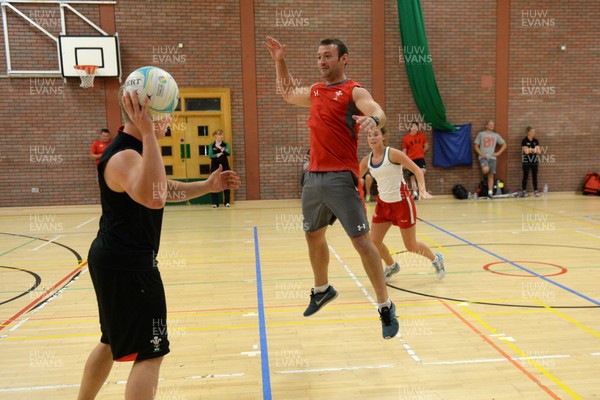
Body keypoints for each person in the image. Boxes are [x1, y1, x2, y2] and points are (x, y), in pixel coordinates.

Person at [78, 86, 240, 400]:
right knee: (151, 352)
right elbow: (153, 199)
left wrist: (206, 185)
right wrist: (150, 135)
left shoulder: (131, 151)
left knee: (110, 339)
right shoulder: (126, 154)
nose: (167, 124)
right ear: (144, 116)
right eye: (163, 117)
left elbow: (162, 188)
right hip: (129, 265)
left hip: (116, 260)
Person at [265, 36, 399, 339]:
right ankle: (322, 289)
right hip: (312, 177)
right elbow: (286, 93)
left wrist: (372, 121)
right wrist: (280, 61)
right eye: (318, 57)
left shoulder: (353, 91)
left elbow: (377, 110)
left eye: (327, 56)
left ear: (343, 59)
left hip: (341, 178)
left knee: (363, 243)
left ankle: (385, 306)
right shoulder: (314, 91)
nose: (321, 61)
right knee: (313, 235)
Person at [360, 128, 445, 283]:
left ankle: (435, 259)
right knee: (374, 242)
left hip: (402, 203)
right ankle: (392, 265)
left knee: (410, 245)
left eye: (376, 135)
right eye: (369, 135)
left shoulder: (392, 154)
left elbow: (417, 170)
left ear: (383, 137)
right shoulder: (367, 160)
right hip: (383, 205)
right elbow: (354, 177)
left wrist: (423, 190)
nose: (372, 138)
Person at [473, 120, 507, 198]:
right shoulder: (481, 134)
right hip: (483, 157)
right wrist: (481, 154)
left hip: (492, 158)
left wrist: (498, 153)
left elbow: (504, 144)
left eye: (493, 125)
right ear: (486, 126)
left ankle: (490, 193)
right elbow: (475, 146)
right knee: (485, 170)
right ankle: (485, 176)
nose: (492, 126)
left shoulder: (496, 135)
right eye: (490, 124)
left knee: (491, 175)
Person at [402, 122, 428, 201]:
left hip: (420, 158)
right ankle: (415, 193)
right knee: (412, 177)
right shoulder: (406, 138)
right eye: (413, 127)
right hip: (411, 159)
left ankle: (422, 192)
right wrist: (403, 162)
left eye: (416, 127)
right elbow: (404, 151)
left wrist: (421, 152)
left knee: (422, 171)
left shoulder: (421, 136)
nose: (415, 128)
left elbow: (426, 146)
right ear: (411, 128)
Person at [208, 129, 232, 208]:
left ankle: (227, 202)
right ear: (215, 135)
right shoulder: (212, 145)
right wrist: (219, 154)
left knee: (226, 183)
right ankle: (215, 203)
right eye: (219, 134)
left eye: (222, 135)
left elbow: (228, 153)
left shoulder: (225, 144)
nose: (221, 136)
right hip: (215, 166)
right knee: (214, 183)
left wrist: (221, 149)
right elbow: (211, 155)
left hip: (225, 166)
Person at [520, 126, 540, 197]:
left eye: (534, 132)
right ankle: (524, 190)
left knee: (535, 176)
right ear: (528, 132)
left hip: (534, 160)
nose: (533, 133)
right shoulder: (524, 141)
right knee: (525, 175)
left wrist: (530, 149)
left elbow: (538, 152)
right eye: (532, 132)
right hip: (526, 160)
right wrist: (534, 150)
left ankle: (536, 190)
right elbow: (526, 152)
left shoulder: (536, 141)